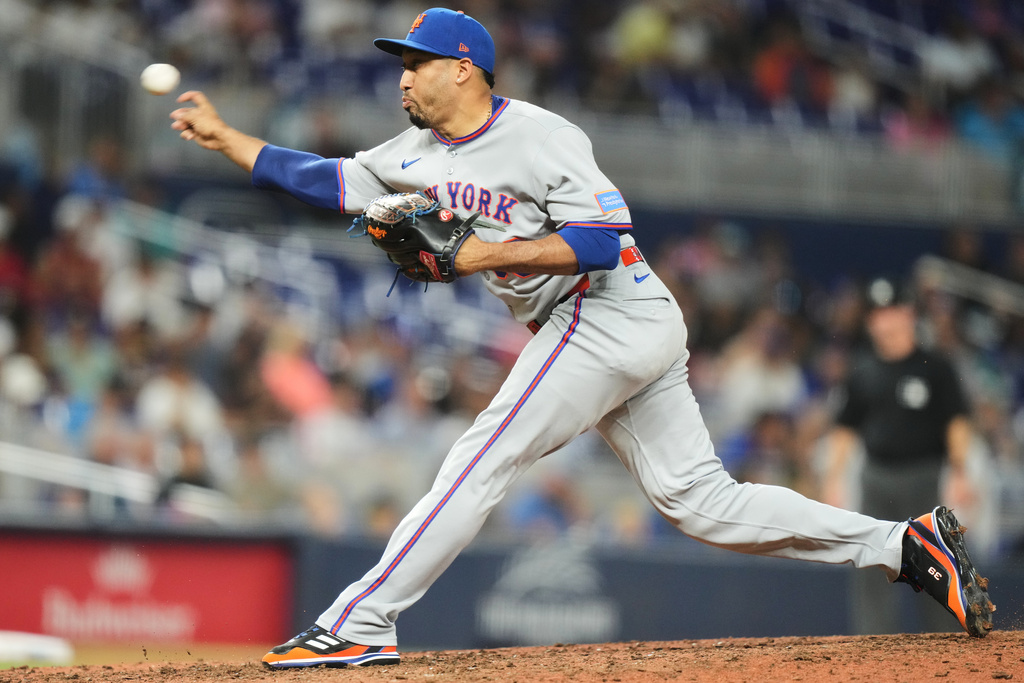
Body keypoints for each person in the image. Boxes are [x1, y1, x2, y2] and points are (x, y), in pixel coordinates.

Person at [169, 8, 995, 669]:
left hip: (606, 307)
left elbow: (605, 236)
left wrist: (485, 253)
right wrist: (231, 141)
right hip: (611, 327)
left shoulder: (541, 134)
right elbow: (331, 180)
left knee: (481, 455)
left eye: (416, 62)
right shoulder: (413, 151)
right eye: (401, 63)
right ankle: (903, 542)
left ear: (465, 67)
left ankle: (361, 621)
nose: (403, 76)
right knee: (702, 503)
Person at [823, 276, 976, 635]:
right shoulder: (862, 370)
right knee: (871, 563)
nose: (886, 321)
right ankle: (874, 646)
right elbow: (845, 428)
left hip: (925, 478)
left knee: (937, 563)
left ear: (909, 315)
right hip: (876, 478)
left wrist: (959, 471)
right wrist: (833, 478)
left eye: (893, 312)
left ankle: (949, 645)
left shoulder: (935, 366)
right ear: (870, 322)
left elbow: (956, 421)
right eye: (878, 314)